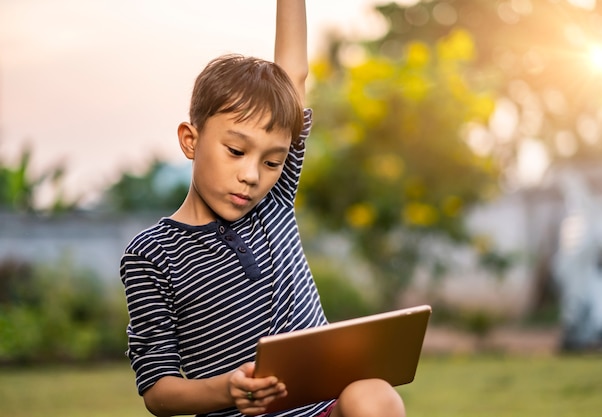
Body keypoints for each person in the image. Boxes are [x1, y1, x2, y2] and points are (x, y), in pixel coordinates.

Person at [120, 1, 406, 416]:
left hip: (322, 410)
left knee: (373, 393)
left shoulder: (273, 202)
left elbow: (294, 75)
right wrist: (228, 390)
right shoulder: (151, 254)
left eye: (272, 162)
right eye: (236, 151)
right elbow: (158, 391)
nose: (252, 175)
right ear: (190, 140)